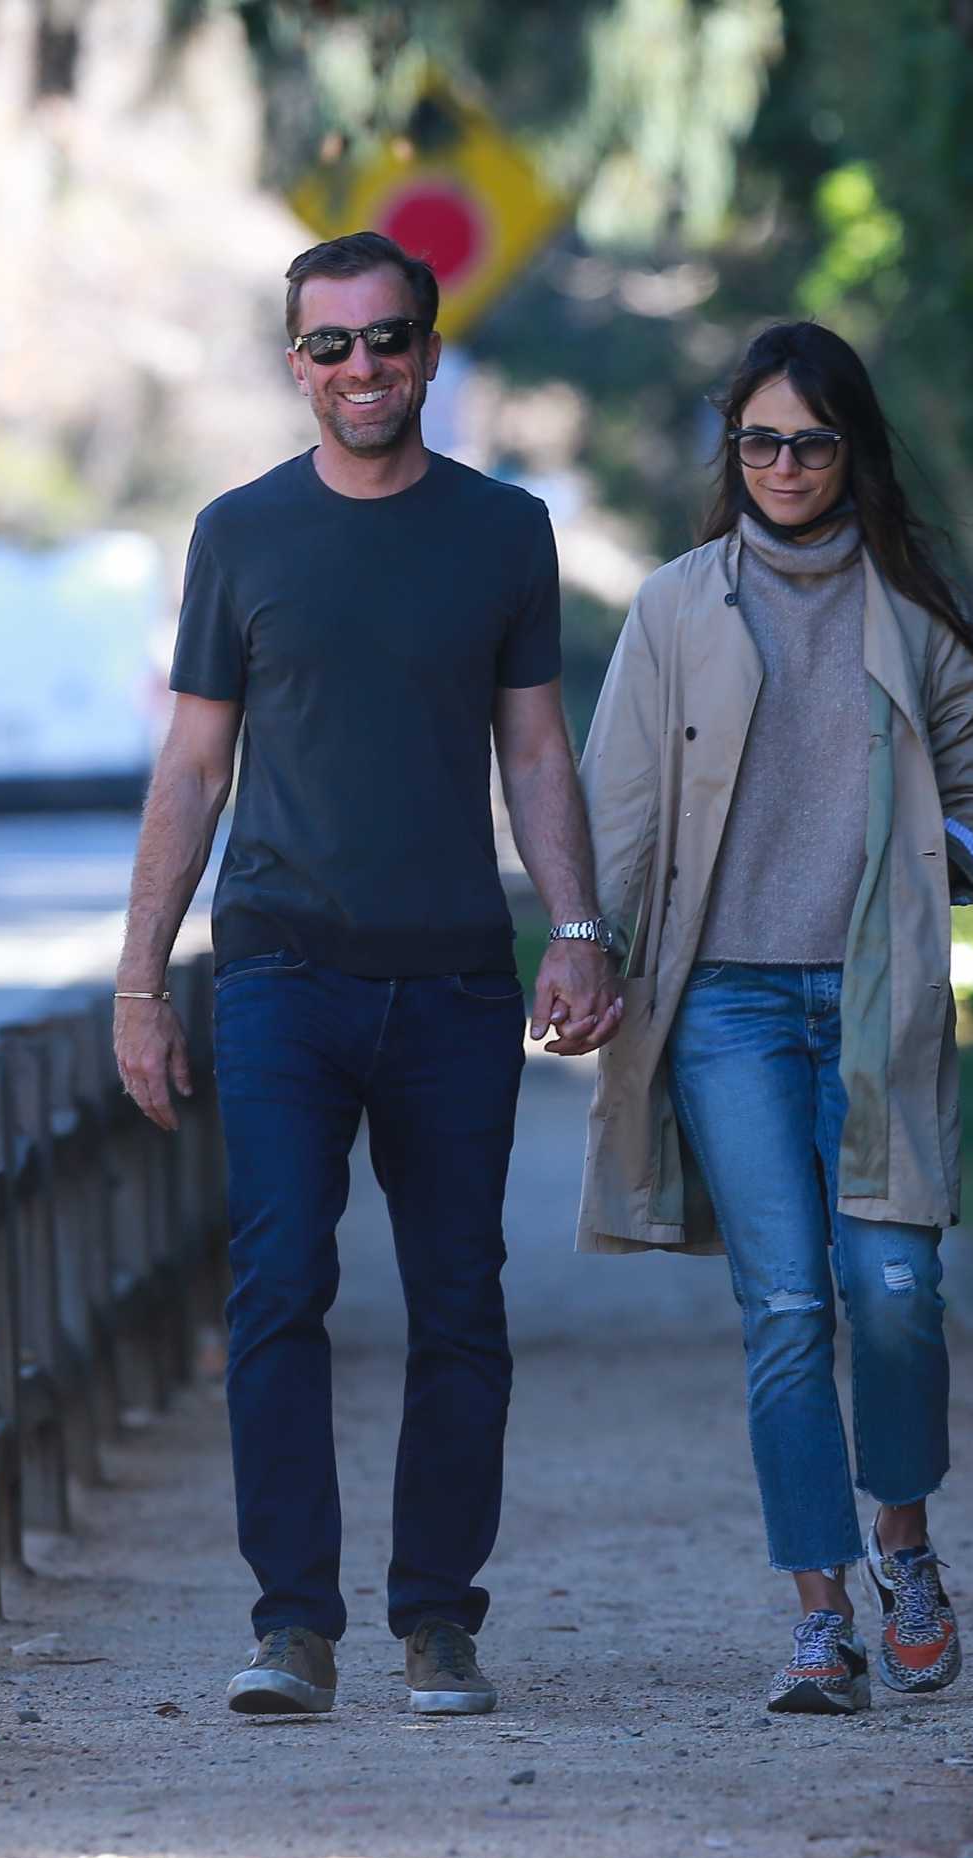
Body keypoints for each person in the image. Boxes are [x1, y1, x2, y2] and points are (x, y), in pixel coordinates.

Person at [113, 231, 621, 1719]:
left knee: (462, 1299)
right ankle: (291, 1624)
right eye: (329, 346)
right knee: (277, 1289)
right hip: (278, 971)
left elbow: (533, 747)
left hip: (456, 982)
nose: (360, 368)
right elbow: (194, 764)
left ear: (427, 352)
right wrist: (141, 982)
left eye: (385, 340)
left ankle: (435, 1621)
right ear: (295, 367)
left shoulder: (502, 531)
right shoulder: (238, 535)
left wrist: (576, 930)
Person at [575, 320, 973, 1716]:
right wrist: (586, 945)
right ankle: (817, 1614)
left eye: (807, 442)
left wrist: (940, 863)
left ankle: (907, 1547)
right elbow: (619, 809)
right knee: (780, 1306)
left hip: (876, 994)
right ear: (732, 452)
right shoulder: (675, 607)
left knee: (892, 1293)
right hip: (724, 1004)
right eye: (755, 441)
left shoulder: (914, 614)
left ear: (849, 452)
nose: (779, 464)